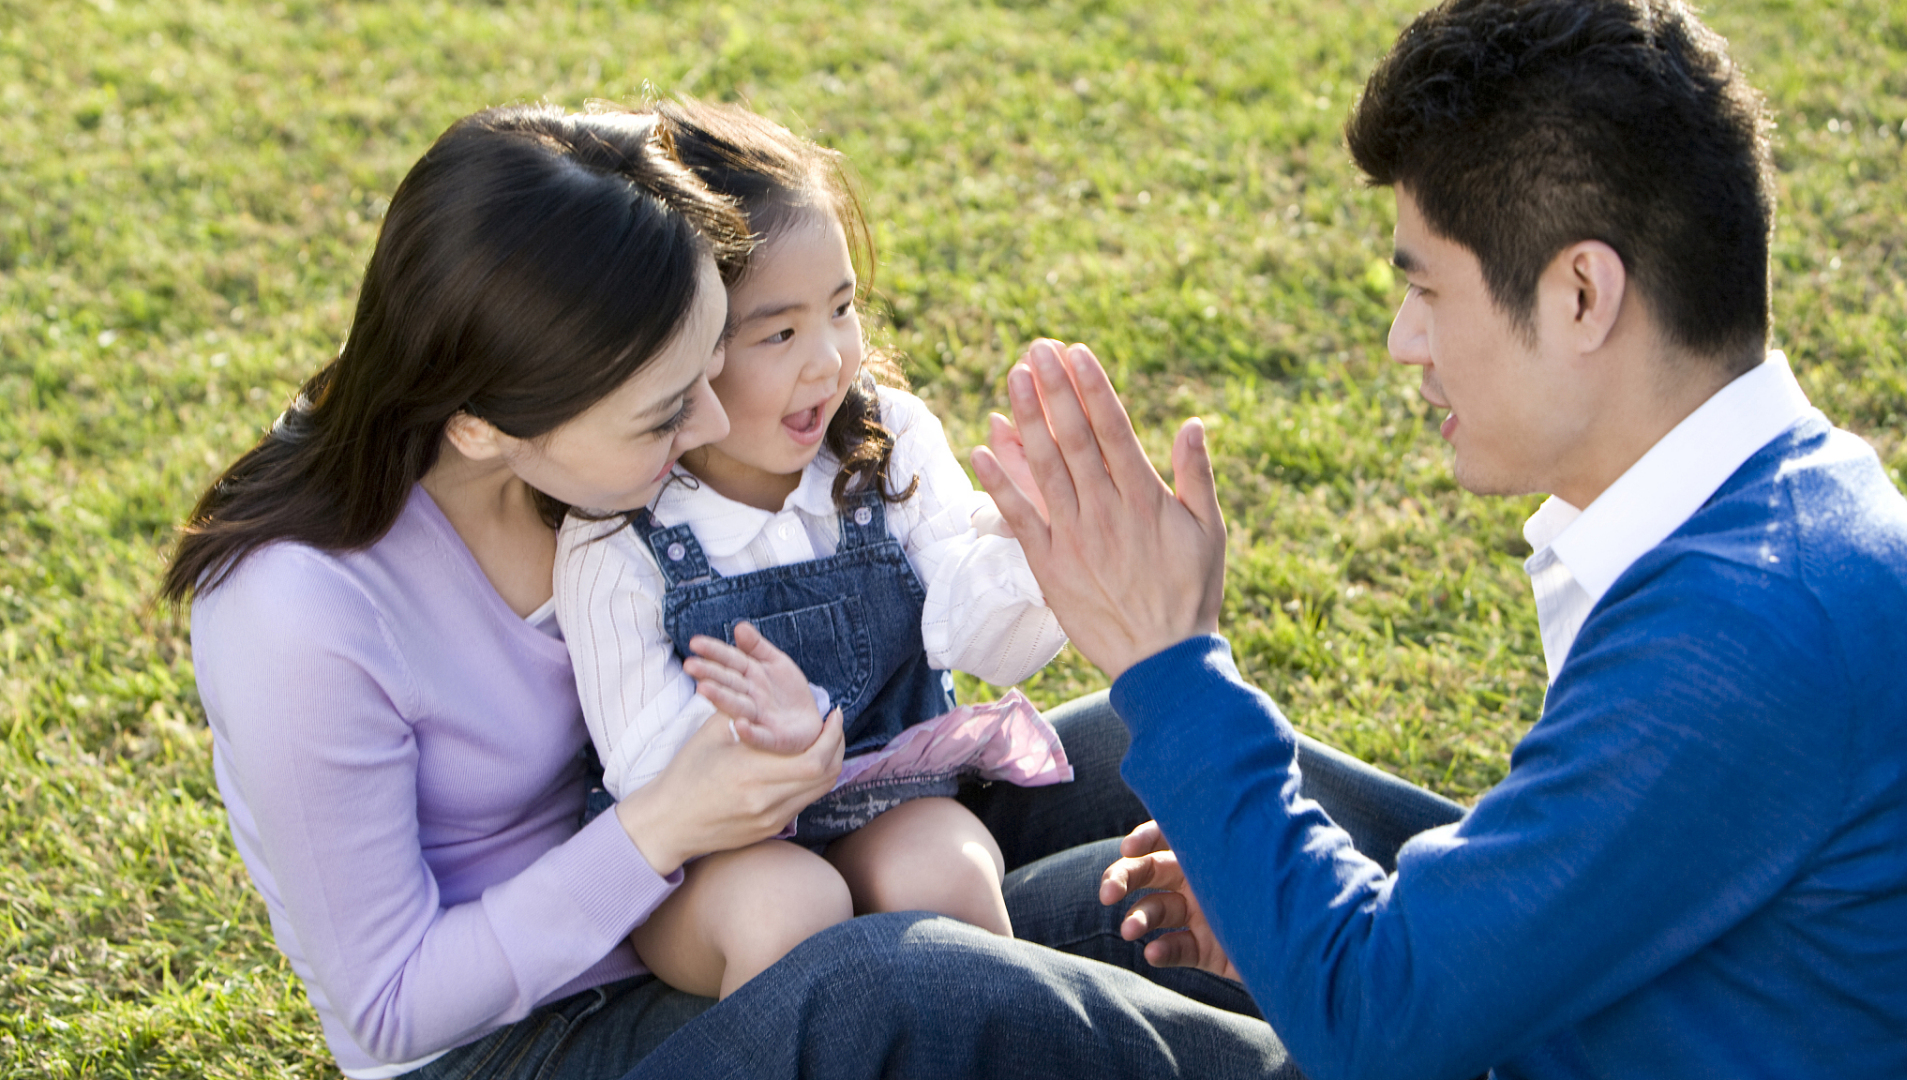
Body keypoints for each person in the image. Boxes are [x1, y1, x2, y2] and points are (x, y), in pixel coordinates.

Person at [169, 101, 1296, 1079]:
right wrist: (665, 823)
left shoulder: (558, 438)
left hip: (733, 877)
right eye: (668, 411)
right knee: (897, 980)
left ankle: (1395, 956)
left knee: (1138, 773)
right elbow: (387, 1008)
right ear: (482, 422)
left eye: (707, 371)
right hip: (521, 1037)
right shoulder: (297, 617)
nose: (710, 423)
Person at [969, 0, 1907, 1079]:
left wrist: (1171, 659)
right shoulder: (1787, 515)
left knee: (910, 995)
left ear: (1580, 294)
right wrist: (1293, 909)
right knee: (1091, 758)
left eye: (1426, 291)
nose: (1403, 342)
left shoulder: (1749, 626)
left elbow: (1382, 1026)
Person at [554, 99, 1071, 998]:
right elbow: (645, 764)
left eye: (842, 308)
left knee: (942, 871)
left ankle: (997, 1046)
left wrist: (1034, 549)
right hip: (715, 854)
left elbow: (985, 636)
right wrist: (774, 748)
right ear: (679, 348)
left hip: (892, 802)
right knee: (790, 907)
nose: (830, 358)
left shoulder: (885, 442)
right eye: (780, 332)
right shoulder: (621, 529)